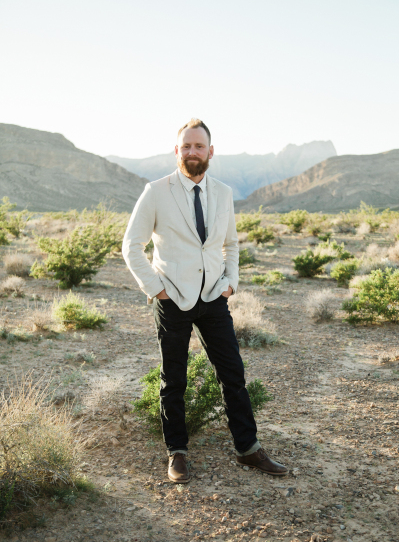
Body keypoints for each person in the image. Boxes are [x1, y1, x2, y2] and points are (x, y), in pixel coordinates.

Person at [122, 118, 287, 483]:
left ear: (211, 152)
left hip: (214, 296)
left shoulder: (224, 193)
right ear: (176, 150)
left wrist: (231, 282)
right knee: (173, 379)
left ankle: (248, 449)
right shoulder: (156, 191)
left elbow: (231, 243)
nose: (193, 152)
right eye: (187, 146)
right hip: (171, 298)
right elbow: (131, 246)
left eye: (199, 146)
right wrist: (156, 288)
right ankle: (177, 453)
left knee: (233, 375)